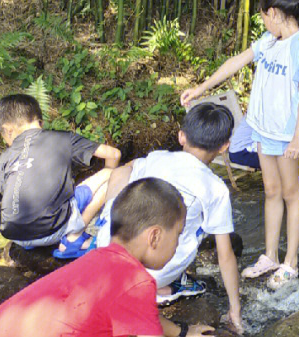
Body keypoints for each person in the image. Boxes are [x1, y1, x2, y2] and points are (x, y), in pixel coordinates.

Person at [181, 0, 299, 291]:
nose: (263, 23)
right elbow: (235, 63)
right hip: (264, 129)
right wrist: (201, 89)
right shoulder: (271, 40)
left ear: (275, 14)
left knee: (291, 193)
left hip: (286, 134)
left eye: (264, 17)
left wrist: (297, 138)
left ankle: (290, 262)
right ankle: (270, 256)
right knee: (270, 191)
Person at [0, 178, 214, 337]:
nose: (179, 242)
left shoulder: (99, 259)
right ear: (154, 237)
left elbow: (139, 313)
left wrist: (183, 332)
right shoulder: (135, 281)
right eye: (179, 234)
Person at [94, 103, 242, 333]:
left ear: (181, 136)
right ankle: (168, 286)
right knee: (190, 227)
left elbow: (126, 169)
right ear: (224, 146)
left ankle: (101, 227)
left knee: (125, 175)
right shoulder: (215, 188)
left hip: (106, 252)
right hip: (156, 272)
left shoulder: (157, 157)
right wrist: (235, 310)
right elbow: (225, 255)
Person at [0, 94, 121, 259]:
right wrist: (110, 185)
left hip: (16, 236)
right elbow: (114, 153)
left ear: (8, 129)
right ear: (40, 122)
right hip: (53, 230)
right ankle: (75, 236)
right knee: (114, 174)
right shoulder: (63, 138)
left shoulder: (4, 158)